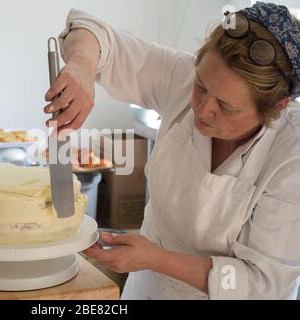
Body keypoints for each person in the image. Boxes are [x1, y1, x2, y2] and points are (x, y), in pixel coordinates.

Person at [44, 2, 300, 300]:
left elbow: (263, 284)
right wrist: (81, 67)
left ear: (276, 108)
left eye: (226, 106)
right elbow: (92, 32)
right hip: (146, 288)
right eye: (201, 86)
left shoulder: (291, 155)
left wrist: (158, 258)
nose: (202, 109)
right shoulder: (182, 76)